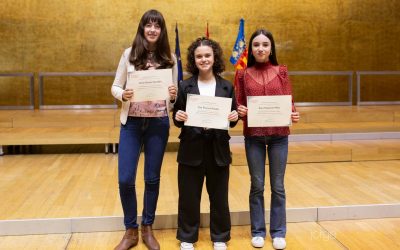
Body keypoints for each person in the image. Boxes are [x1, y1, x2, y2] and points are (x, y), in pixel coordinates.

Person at [111, 9, 178, 250]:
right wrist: (123, 94)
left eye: (157, 26)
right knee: (125, 178)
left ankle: (147, 227)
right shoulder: (129, 55)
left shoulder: (170, 57)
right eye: (148, 25)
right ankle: (130, 230)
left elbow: (174, 95)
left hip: (158, 124)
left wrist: (173, 95)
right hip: (132, 123)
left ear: (161, 31)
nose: (152, 29)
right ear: (142, 28)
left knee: (152, 178)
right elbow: (115, 86)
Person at [234, 29, 300, 250]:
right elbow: (239, 103)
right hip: (253, 137)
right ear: (250, 49)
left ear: (271, 48)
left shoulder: (281, 71)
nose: (260, 48)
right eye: (256, 45)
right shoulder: (242, 74)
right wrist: (240, 110)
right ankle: (258, 231)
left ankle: (279, 232)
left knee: (278, 186)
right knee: (257, 185)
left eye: (265, 44)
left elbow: (289, 101)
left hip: (279, 136)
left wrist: (294, 113)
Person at [173, 37, 239, 250]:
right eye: (199, 56)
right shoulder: (185, 86)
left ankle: (220, 237)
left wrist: (234, 117)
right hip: (191, 149)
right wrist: (179, 116)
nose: (203, 59)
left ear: (215, 57)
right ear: (194, 59)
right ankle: (187, 237)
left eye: (207, 55)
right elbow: (177, 116)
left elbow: (234, 116)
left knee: (219, 196)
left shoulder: (227, 87)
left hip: (218, 149)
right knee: (189, 196)